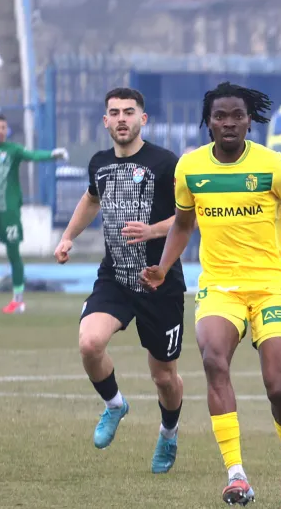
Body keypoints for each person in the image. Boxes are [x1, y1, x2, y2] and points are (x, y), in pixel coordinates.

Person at [140, 82, 281, 508]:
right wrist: (164, 266)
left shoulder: (272, 165)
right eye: (220, 116)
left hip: (271, 287)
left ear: (249, 120)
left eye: (236, 115)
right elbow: (184, 224)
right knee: (212, 359)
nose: (228, 123)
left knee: (277, 386)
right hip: (219, 286)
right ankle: (236, 475)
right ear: (208, 121)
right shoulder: (189, 168)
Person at [53, 87, 187, 473]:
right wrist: (68, 237)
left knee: (164, 377)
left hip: (159, 281)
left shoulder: (165, 163)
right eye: (115, 112)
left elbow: (186, 218)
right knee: (90, 343)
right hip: (115, 277)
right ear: (106, 121)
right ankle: (114, 405)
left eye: (130, 111)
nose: (122, 118)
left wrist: (153, 231)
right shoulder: (98, 163)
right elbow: (91, 199)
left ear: (143, 119)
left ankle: (169, 432)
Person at [0, 114, 68, 313]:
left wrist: (52, 155)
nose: (0, 130)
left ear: (6, 131)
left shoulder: (14, 151)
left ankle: (18, 300)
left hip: (9, 214)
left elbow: (33, 156)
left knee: (13, 253)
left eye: (3, 127)